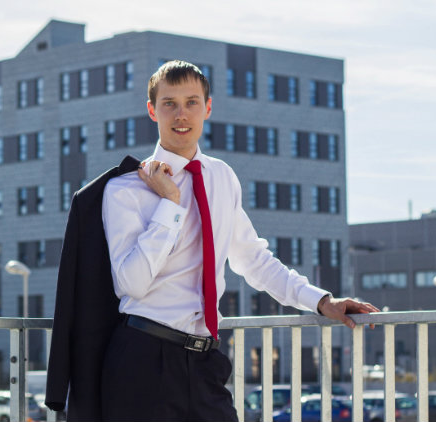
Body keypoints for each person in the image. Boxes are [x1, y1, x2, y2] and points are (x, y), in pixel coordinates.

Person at [98, 60, 379, 422]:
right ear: (152, 110)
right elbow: (131, 283)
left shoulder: (222, 178)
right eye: (169, 103)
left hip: (205, 362)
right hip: (143, 359)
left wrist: (322, 301)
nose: (181, 114)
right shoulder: (125, 190)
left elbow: (254, 260)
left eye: (192, 102)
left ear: (208, 108)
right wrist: (169, 204)